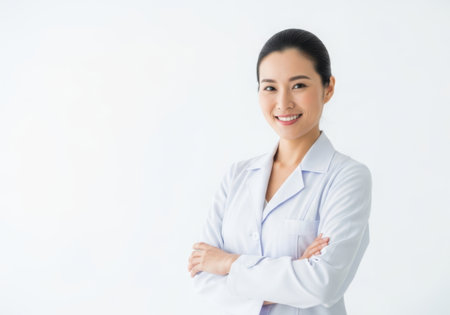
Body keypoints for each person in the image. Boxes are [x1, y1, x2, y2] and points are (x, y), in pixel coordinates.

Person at [187, 28, 372, 315]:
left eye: (298, 85)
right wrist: (294, 273)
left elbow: (322, 284)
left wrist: (227, 263)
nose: (283, 103)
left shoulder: (347, 178)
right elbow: (203, 279)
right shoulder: (237, 176)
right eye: (270, 87)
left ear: (328, 88)